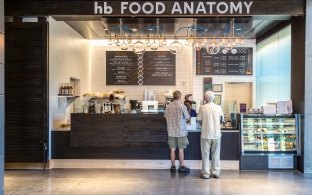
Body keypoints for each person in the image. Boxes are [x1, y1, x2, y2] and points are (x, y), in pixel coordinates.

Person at [197, 91, 224, 179]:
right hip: (216, 134)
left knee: (205, 155)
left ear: (205, 98)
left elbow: (199, 121)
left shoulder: (202, 107)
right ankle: (216, 172)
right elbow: (222, 120)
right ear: (214, 98)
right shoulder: (218, 107)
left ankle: (205, 174)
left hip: (205, 134)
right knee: (216, 154)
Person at [164, 90, 191, 174]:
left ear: (173, 96)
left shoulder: (168, 106)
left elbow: (165, 117)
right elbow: (187, 118)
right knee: (181, 150)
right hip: (181, 132)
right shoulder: (182, 106)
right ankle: (182, 167)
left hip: (171, 132)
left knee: (172, 149)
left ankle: (173, 167)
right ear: (180, 97)